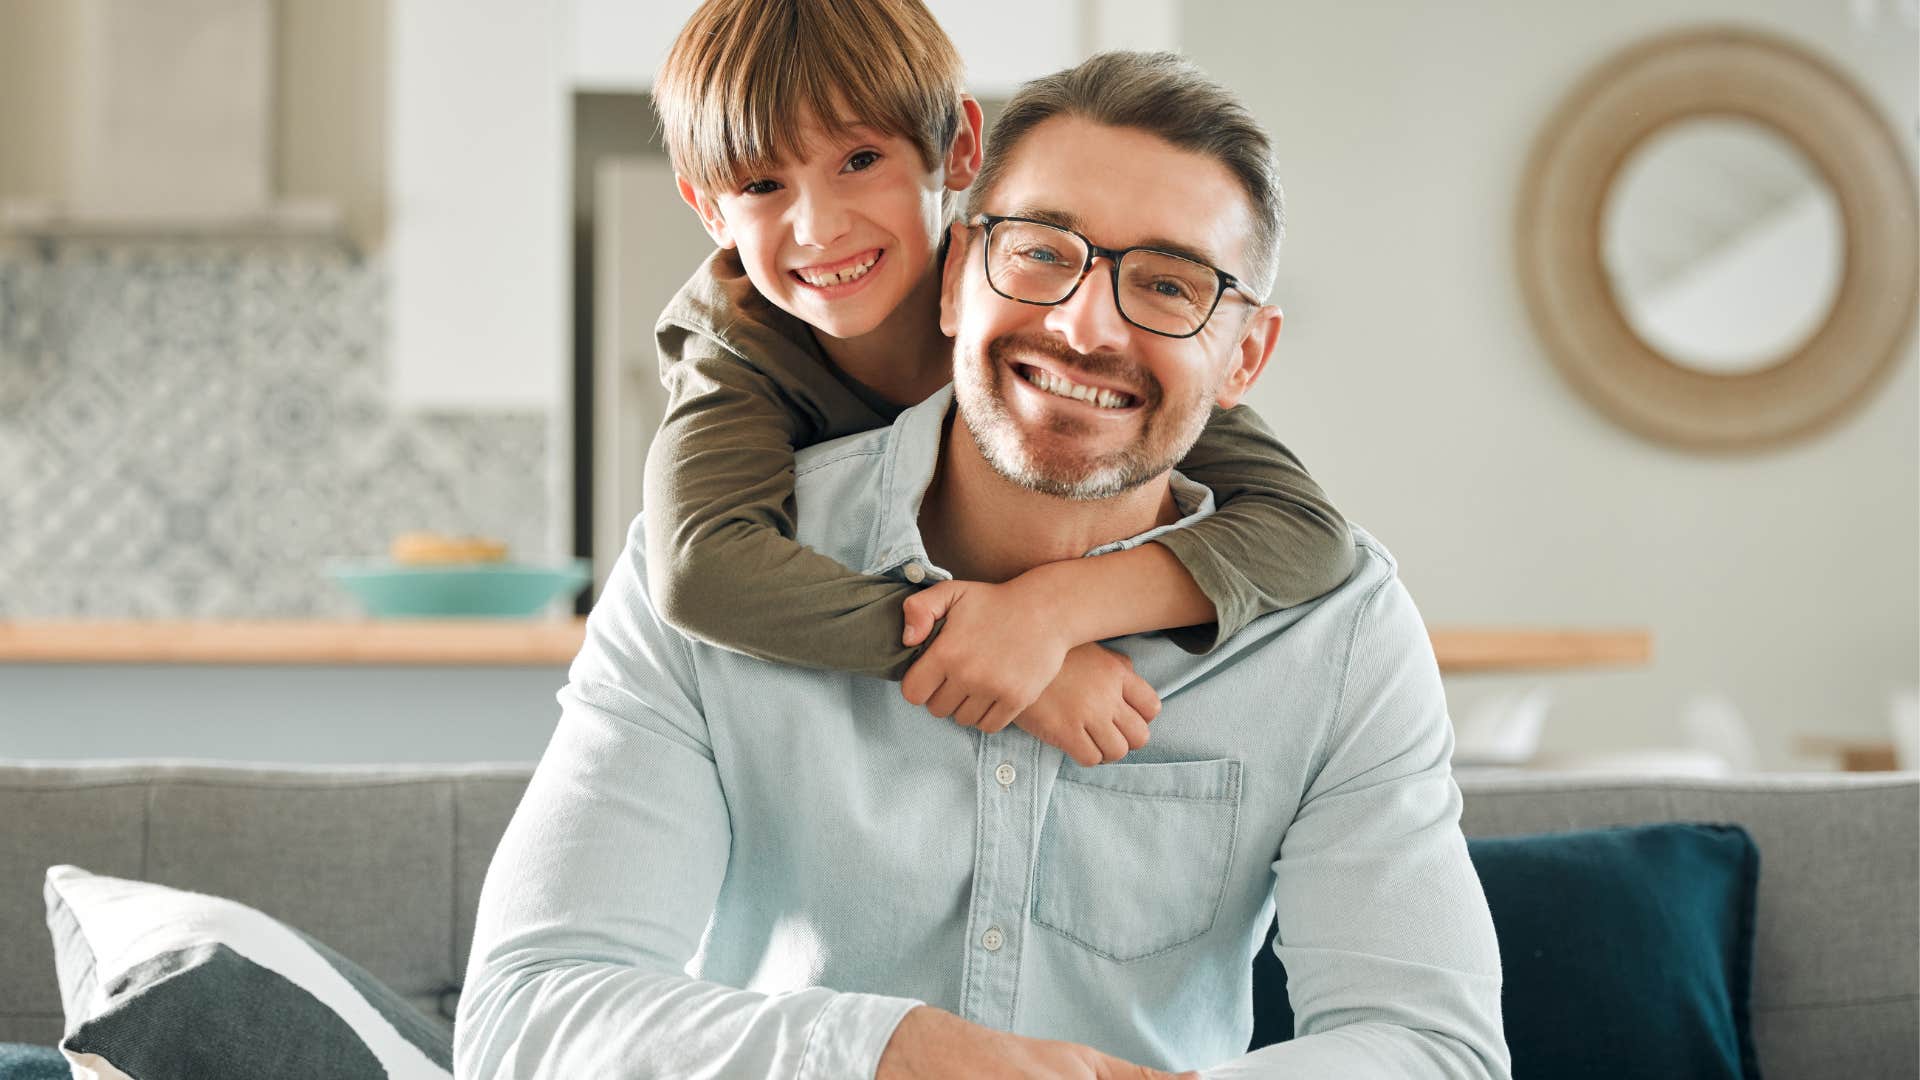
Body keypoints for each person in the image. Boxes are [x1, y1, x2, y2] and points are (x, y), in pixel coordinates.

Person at [455, 49, 1508, 1079]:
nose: (1084, 324)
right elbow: (525, 1023)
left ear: (1244, 357)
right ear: (957, 272)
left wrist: (1054, 614)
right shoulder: (716, 552)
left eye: (1171, 284)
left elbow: (1435, 1050)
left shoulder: (1337, 634)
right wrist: (891, 1058)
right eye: (1045, 250)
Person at [642, 0, 1353, 766]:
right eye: (761, 185)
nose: (819, 227)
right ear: (707, 209)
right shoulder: (732, 347)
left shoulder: (1029, 291)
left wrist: (1047, 616)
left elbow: (1305, 532)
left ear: (956, 147)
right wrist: (984, 652)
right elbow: (699, 570)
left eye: (859, 161)